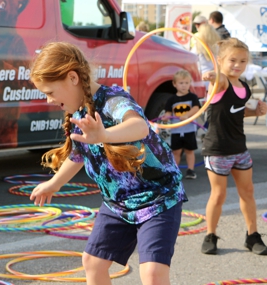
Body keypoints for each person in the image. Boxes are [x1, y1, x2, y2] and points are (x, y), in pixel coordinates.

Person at [29, 42, 187, 285]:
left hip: (158, 199)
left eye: (50, 92)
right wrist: (54, 183)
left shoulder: (113, 100)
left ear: (72, 77)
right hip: (117, 204)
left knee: (153, 273)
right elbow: (78, 155)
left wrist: (104, 136)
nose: (49, 100)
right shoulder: (79, 114)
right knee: (92, 263)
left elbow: (140, 126)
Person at [200, 38, 267, 256]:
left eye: (243, 61)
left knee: (248, 192)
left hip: (239, 149)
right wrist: (211, 75)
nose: (237, 65)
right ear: (220, 61)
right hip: (217, 149)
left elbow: (237, 110)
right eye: (232, 60)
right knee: (218, 195)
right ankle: (210, 235)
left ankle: (252, 235)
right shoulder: (221, 82)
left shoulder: (243, 86)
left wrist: (254, 112)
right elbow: (215, 78)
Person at [162, 70, 201, 179]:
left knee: (189, 150)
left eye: (186, 83)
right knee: (176, 151)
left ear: (190, 83)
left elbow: (196, 108)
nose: (184, 86)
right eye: (181, 83)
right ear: (175, 84)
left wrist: (187, 115)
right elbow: (169, 112)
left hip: (189, 129)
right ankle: (175, 171)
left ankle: (190, 170)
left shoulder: (192, 97)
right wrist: (166, 117)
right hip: (176, 130)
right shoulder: (172, 99)